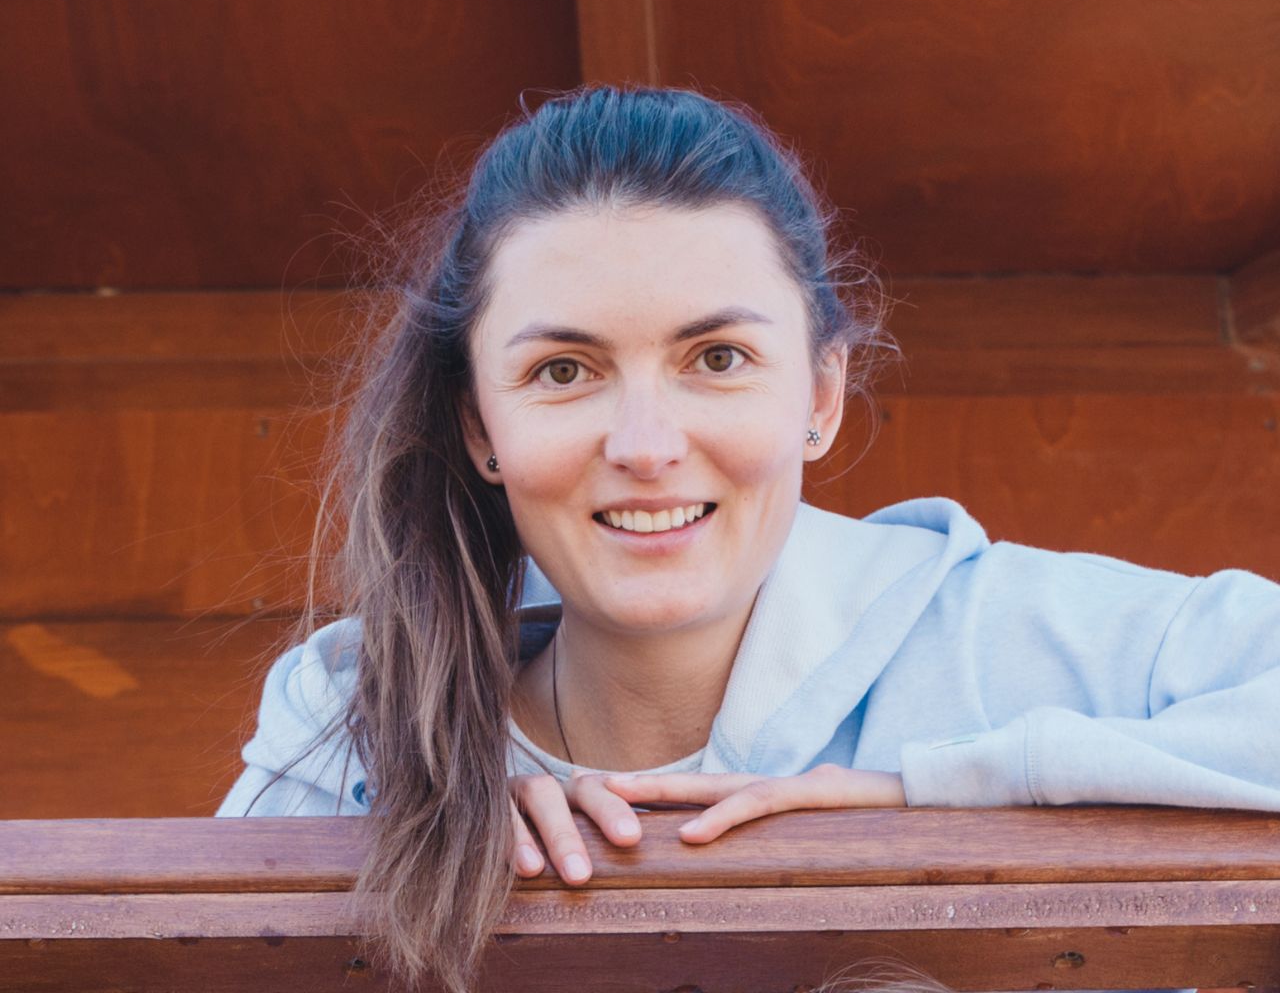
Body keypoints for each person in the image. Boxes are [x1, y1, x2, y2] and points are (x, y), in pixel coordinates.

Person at [217, 85, 1280, 993]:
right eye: (563, 371)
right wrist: (431, 844)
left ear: (820, 395)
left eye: (716, 359)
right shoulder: (359, 724)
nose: (645, 445)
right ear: (478, 425)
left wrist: (934, 795)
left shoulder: (997, 638)